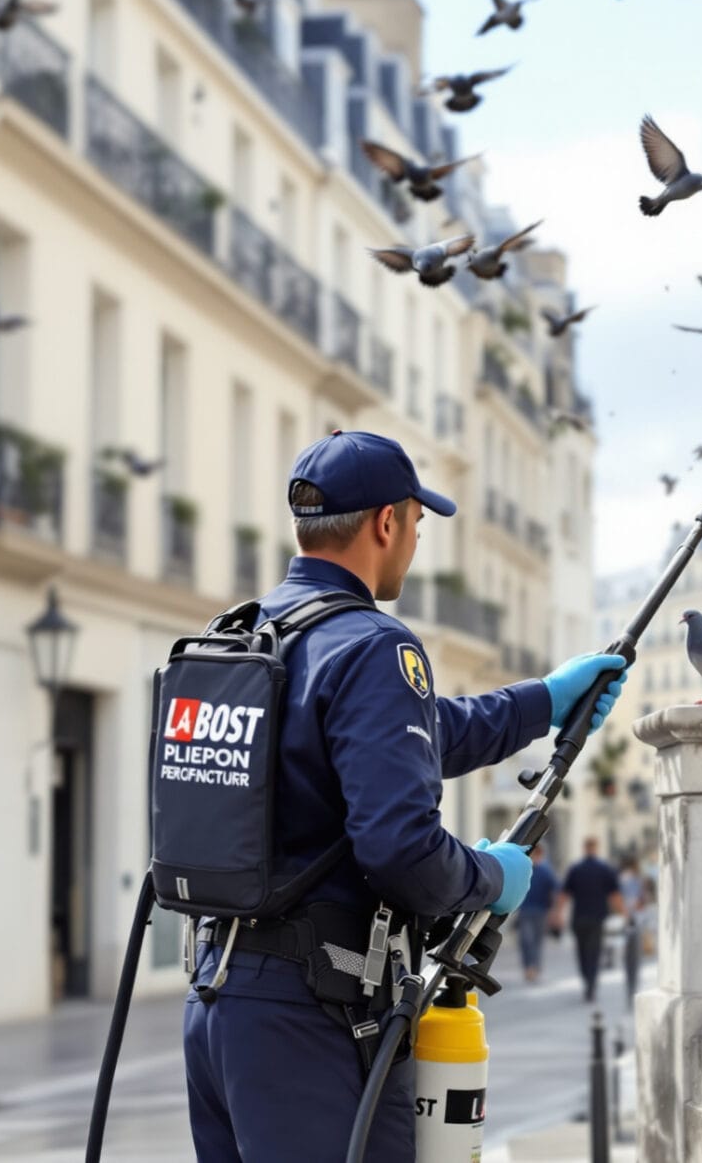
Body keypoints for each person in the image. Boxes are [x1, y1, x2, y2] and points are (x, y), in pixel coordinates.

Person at [182, 431, 630, 1163]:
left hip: (217, 1003)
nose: (418, 538)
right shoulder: (372, 645)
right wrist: (491, 876)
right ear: (386, 522)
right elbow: (401, 850)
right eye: (419, 522)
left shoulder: (249, 635)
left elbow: (415, 731)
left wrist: (544, 701)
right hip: (310, 1018)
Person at [560, 838, 624, 1004]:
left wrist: (557, 913)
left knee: (582, 953)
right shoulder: (604, 869)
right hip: (597, 918)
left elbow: (565, 894)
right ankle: (591, 984)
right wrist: (624, 913)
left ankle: (587, 980)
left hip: (579, 918)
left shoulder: (576, 869)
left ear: (584, 848)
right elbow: (614, 895)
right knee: (594, 953)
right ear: (596, 848)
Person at [517, 843, 560, 984]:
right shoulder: (524, 869)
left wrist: (554, 912)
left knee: (536, 941)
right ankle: (528, 967)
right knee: (525, 940)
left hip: (541, 911)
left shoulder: (546, 871)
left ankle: (534, 967)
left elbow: (555, 891)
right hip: (525, 909)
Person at [617, 857, 646, 1005]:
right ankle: (632, 990)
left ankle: (630, 990)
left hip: (624, 922)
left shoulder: (620, 880)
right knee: (634, 960)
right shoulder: (636, 880)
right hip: (634, 922)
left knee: (628, 960)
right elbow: (642, 902)